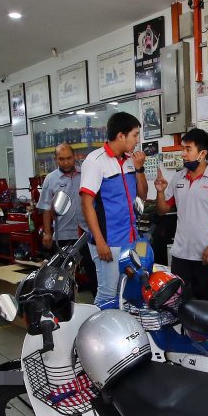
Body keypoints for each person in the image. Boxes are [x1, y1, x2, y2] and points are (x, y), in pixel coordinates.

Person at [154, 128, 208, 300]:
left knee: (204, 303)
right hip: (180, 254)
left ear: (202, 153)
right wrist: (160, 192)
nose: (183, 154)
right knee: (178, 302)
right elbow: (162, 210)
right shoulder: (178, 178)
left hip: (206, 255)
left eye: (188, 149)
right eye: (182, 149)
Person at [79, 112, 148, 306]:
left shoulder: (129, 160)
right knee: (108, 295)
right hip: (109, 241)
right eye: (135, 135)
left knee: (126, 293)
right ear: (120, 136)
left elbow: (142, 196)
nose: (137, 140)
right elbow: (86, 204)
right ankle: (94, 335)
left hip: (131, 239)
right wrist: (100, 242)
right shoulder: (95, 161)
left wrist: (140, 169)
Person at [37, 142, 95, 291]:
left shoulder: (85, 175)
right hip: (63, 235)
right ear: (55, 159)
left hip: (86, 233)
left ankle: (98, 304)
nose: (66, 162)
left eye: (69, 158)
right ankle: (63, 307)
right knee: (62, 275)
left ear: (74, 157)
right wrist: (47, 233)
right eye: (61, 159)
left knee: (93, 271)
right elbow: (46, 207)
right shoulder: (50, 179)